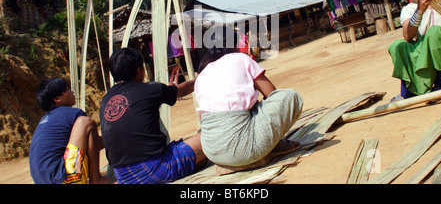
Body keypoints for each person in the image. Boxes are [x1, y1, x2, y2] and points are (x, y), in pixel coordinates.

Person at [195, 25, 303, 172]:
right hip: (242, 148)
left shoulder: (202, 76)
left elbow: (204, 120)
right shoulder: (241, 58)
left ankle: (230, 163)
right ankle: (268, 149)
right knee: (289, 96)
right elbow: (272, 94)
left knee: (247, 110)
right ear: (234, 45)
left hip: (213, 151)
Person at [100, 47, 206, 184]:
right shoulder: (150, 89)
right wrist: (203, 78)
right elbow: (182, 89)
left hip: (122, 177)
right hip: (153, 171)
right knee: (209, 136)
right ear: (139, 69)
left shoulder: (106, 99)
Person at [29, 78, 109, 184]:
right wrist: (117, 135)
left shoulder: (46, 121)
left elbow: (89, 147)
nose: (72, 92)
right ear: (57, 98)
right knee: (86, 123)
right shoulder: (72, 114)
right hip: (63, 180)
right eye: (67, 90)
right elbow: (94, 145)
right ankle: (96, 180)